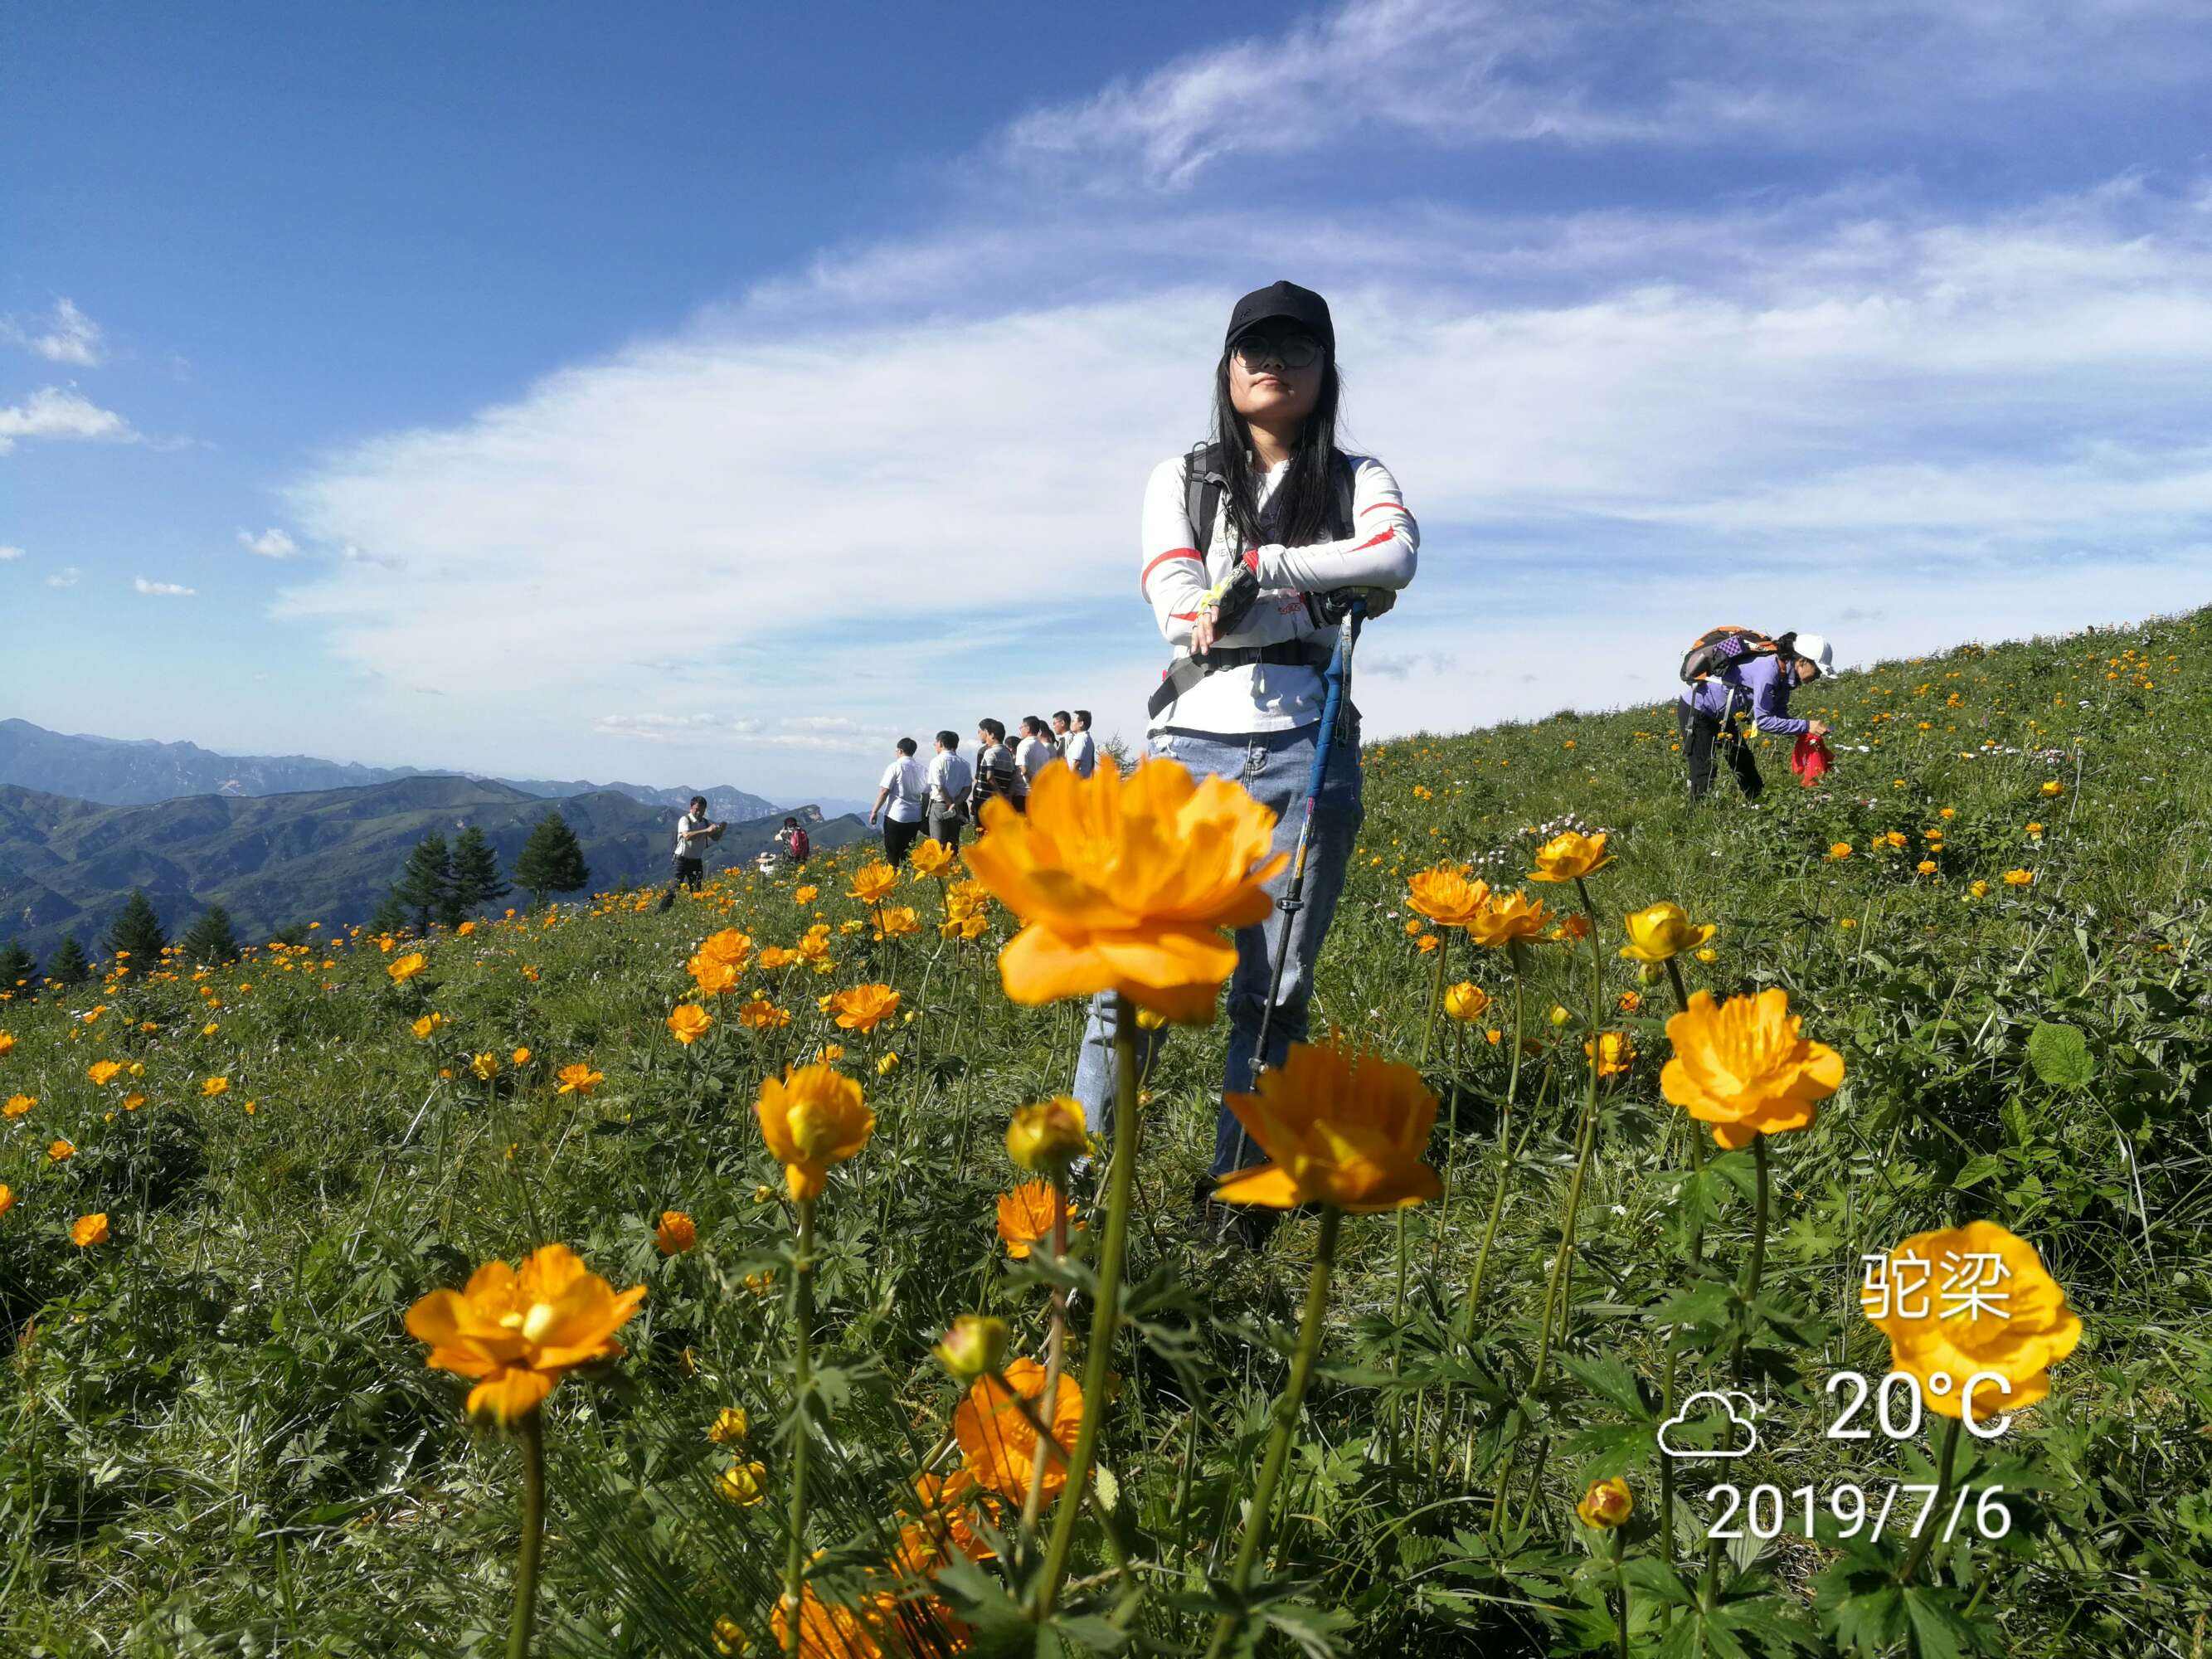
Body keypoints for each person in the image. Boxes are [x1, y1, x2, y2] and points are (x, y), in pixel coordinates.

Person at [1068, 278, 1417, 1244]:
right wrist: (1313, 588)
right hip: (1189, 749)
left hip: (1308, 748)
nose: (1271, 363)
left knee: (1274, 994)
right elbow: (1180, 606)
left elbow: (1391, 558)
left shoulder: (1359, 475)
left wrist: (1262, 573)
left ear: (1325, 370)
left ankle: (1241, 1196)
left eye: (1295, 349)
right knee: (1127, 980)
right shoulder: (1180, 478)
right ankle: (1068, 1191)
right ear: (1225, 369)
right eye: (1252, 348)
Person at [1678, 632, 1833, 801]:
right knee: (1704, 771)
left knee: (1743, 762)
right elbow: (1764, 721)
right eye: (1817, 670)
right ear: (1802, 661)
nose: (1818, 677)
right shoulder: (1769, 671)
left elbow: (1779, 713)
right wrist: (1805, 726)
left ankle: (1760, 807)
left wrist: (1803, 732)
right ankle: (1695, 819)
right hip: (1697, 710)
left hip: (1721, 716)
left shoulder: (1785, 676)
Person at [656, 795, 722, 911]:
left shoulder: (705, 822)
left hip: (696, 860)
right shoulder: (685, 820)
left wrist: (721, 830)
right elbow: (687, 836)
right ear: (691, 808)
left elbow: (715, 838)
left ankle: (696, 912)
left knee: (696, 890)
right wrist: (706, 831)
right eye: (697, 809)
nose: (699, 812)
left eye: (702, 810)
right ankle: (660, 912)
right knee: (674, 888)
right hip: (681, 860)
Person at [869, 737, 928, 864]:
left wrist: (874, 811)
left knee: (893, 852)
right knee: (908, 851)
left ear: (900, 751)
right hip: (915, 816)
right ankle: (907, 878)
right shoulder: (922, 769)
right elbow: (926, 794)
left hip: (896, 815)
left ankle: (894, 877)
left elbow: (884, 791)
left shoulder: (895, 766)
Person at [926, 730, 973, 849]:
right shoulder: (964, 764)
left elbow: (940, 787)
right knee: (952, 846)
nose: (935, 746)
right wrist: (955, 804)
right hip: (957, 808)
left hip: (940, 806)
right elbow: (968, 788)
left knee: (938, 847)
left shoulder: (936, 761)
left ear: (941, 743)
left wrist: (950, 804)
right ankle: (953, 868)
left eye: (935, 743)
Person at [971, 719, 1022, 822]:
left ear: (992, 735)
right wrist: (1008, 796)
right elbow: (1014, 777)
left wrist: (1001, 796)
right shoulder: (1008, 753)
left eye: (988, 735)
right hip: (1000, 803)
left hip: (986, 801)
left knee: (983, 833)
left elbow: (989, 777)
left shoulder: (989, 752)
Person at [1016, 717, 1056, 786]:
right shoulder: (1043, 748)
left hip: (1025, 792)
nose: (1020, 729)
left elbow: (1024, 770)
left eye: (1021, 727)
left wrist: (1033, 784)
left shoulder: (1024, 744)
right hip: (1041, 789)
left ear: (1028, 729)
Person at [1060, 709, 1097, 779]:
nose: (1071, 723)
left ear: (1081, 724)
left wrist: (1071, 781)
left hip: (1078, 780)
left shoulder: (1081, 738)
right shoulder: (1085, 738)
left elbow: (1077, 762)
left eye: (1073, 721)